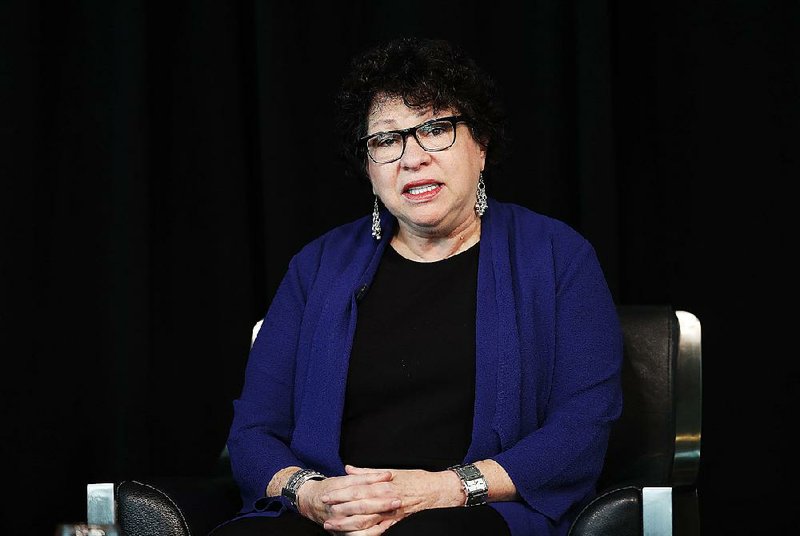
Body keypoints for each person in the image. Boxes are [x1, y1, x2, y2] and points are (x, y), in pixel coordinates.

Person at [211, 36, 623, 536]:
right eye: (386, 140)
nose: (412, 157)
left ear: (481, 145)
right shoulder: (316, 266)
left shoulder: (557, 256)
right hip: (332, 512)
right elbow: (253, 432)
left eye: (435, 129)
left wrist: (440, 490)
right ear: (368, 167)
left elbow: (581, 430)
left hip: (473, 512)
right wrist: (313, 494)